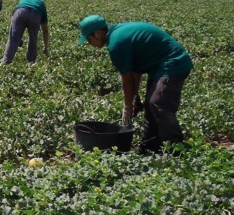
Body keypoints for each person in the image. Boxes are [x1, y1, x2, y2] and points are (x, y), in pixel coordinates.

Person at [78, 15, 193, 153]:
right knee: (151, 107)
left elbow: (127, 81)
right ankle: (149, 148)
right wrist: (135, 98)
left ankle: (177, 148)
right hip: (158, 67)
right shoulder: (117, 33)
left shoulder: (116, 44)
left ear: (97, 33)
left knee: (158, 103)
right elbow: (134, 71)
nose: (89, 43)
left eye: (89, 39)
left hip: (173, 63)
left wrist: (127, 108)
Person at [1, 0, 50, 64]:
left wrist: (18, 38)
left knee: (13, 39)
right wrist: (45, 46)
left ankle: (5, 61)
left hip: (20, 12)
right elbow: (45, 30)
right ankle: (31, 62)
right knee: (33, 39)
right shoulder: (41, 4)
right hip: (35, 14)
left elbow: (13, 15)